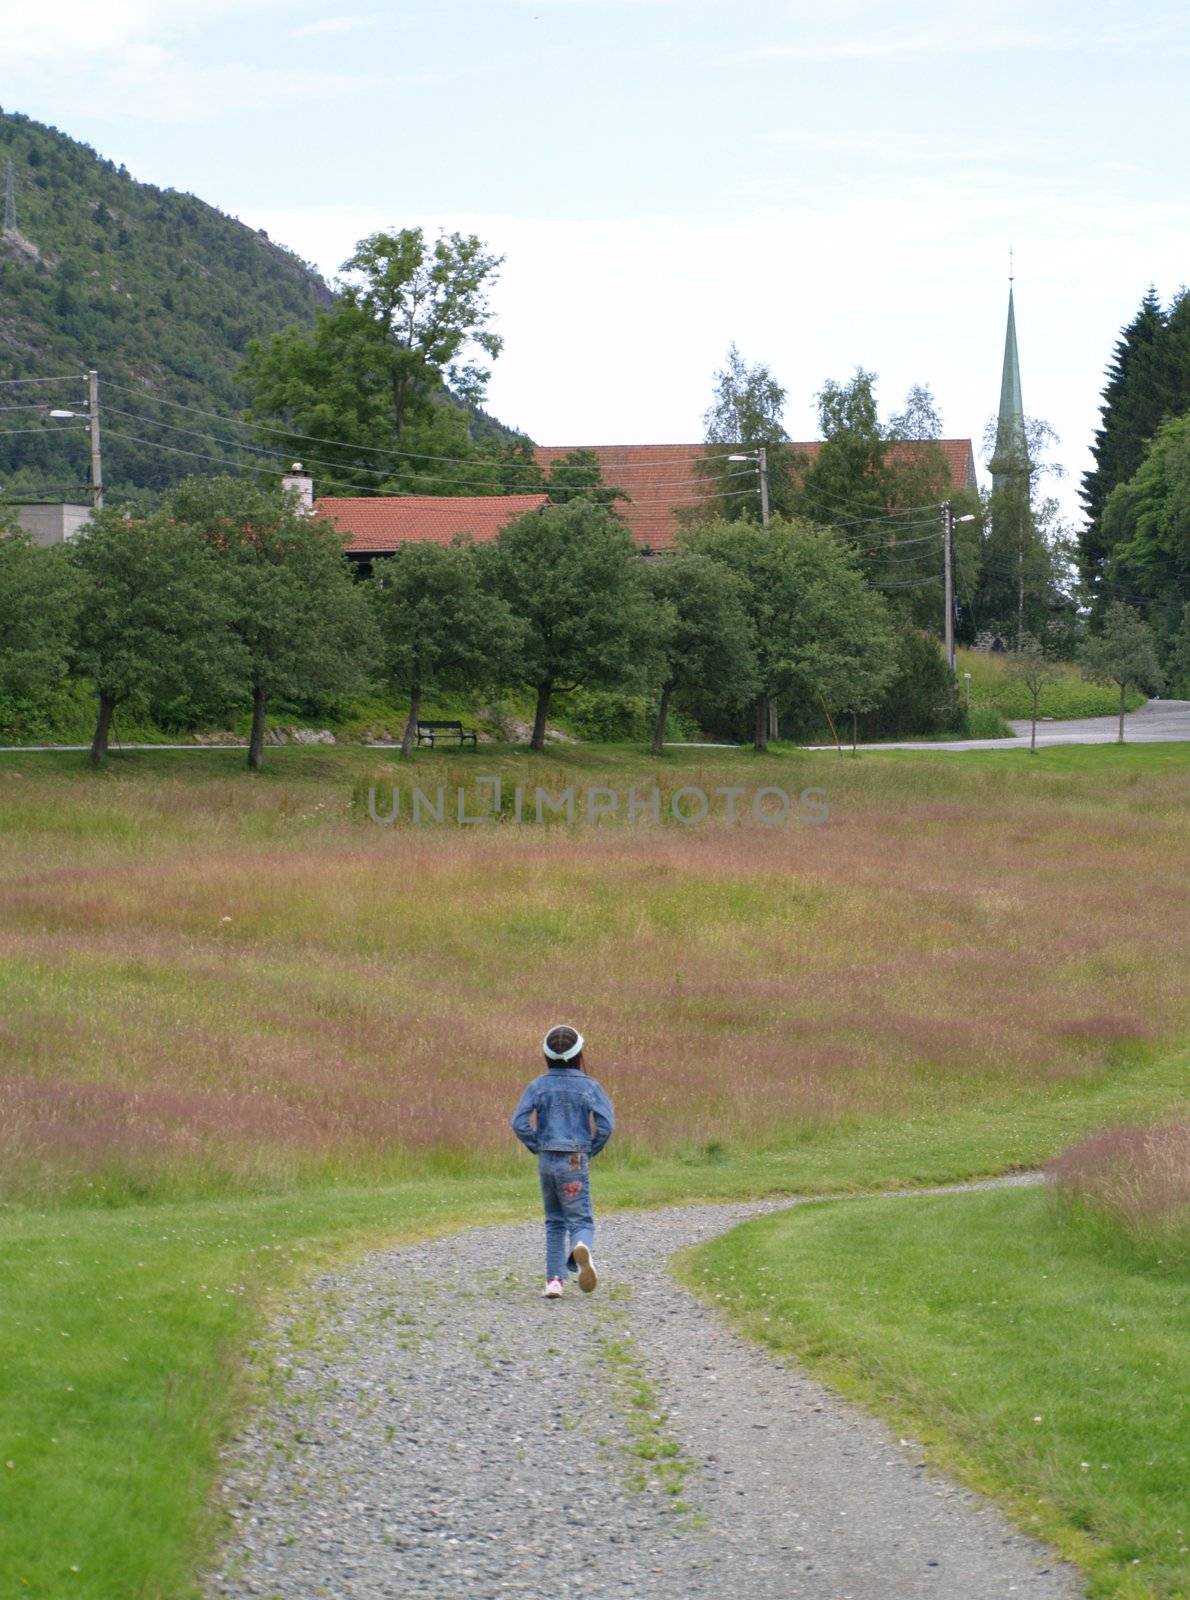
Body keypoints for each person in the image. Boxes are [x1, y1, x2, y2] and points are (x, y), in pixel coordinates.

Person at [511, 1024, 615, 1300]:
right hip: (574, 1160)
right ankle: (581, 1246)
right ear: (578, 1054)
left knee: (554, 1221)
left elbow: (518, 1122)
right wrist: (590, 1149)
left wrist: (537, 1144)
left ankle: (554, 1282)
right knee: (580, 1218)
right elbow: (606, 1125)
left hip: (547, 1159)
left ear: (546, 1055)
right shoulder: (589, 1086)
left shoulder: (538, 1085)